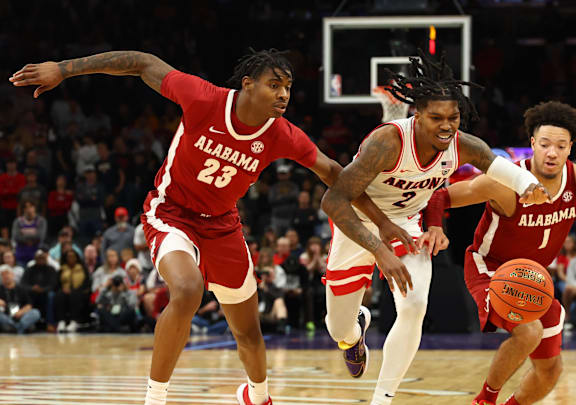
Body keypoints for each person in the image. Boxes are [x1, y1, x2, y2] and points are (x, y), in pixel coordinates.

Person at [11, 48, 411, 405]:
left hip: (222, 227)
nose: (284, 95)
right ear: (247, 85)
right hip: (171, 214)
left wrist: (382, 223)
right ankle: (156, 397)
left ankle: (258, 396)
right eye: (274, 85)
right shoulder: (203, 99)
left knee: (249, 334)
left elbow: (337, 176)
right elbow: (141, 63)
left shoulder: (280, 134)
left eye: (288, 87)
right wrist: (63, 69)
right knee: (186, 290)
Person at [321, 50, 549, 405]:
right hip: (357, 222)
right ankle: (355, 331)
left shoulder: (461, 145)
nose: (446, 125)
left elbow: (492, 162)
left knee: (414, 305)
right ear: (418, 115)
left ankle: (383, 399)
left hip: (406, 224)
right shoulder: (388, 143)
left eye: (453, 117)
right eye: (436, 117)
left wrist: (528, 186)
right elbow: (333, 201)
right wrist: (379, 248)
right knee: (338, 328)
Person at [422, 101, 576, 405]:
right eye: (544, 144)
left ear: (570, 147)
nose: (552, 152)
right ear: (532, 144)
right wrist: (436, 228)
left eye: (560, 146)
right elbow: (439, 198)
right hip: (491, 267)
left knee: (549, 372)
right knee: (529, 331)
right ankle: (484, 400)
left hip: (534, 278)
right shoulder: (505, 182)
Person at [0, 266, 41, 334]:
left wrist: (21, 312)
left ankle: (16, 328)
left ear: (12, 275)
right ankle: (20, 328)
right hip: (6, 316)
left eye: (7, 274)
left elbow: (29, 305)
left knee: (36, 312)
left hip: (21, 316)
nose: (6, 276)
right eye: (3, 275)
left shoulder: (21, 288)